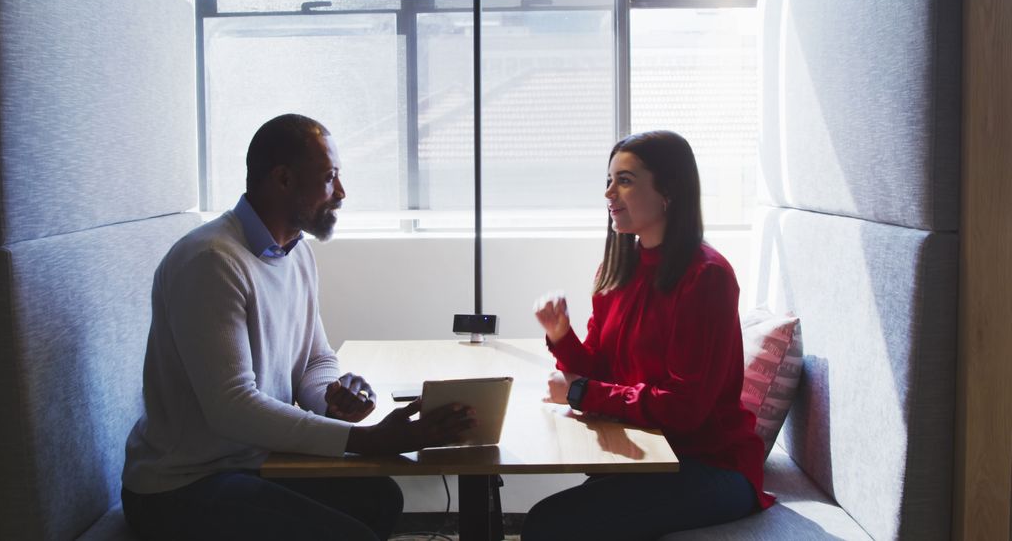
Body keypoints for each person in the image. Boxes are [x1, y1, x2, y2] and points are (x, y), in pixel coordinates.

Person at [121, 113, 475, 541]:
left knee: (380, 498)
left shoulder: (296, 254)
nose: (341, 193)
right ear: (283, 179)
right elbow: (231, 407)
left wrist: (331, 398)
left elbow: (316, 357)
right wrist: (364, 439)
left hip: (253, 461)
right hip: (183, 484)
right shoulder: (212, 261)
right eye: (329, 178)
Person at [523, 130, 774, 540]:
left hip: (710, 464)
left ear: (668, 191)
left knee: (548, 524)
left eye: (625, 180)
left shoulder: (706, 277)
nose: (609, 193)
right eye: (608, 181)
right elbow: (603, 369)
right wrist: (562, 336)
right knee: (552, 519)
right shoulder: (617, 269)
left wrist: (580, 391)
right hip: (652, 454)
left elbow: (684, 408)